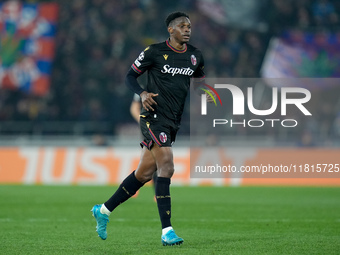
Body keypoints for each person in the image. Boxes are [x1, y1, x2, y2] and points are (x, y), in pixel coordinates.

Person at [91, 11, 205, 246]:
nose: (187, 29)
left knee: (143, 174)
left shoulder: (195, 56)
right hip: (153, 116)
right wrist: (142, 93)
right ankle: (167, 231)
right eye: (182, 26)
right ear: (171, 30)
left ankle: (103, 210)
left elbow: (199, 83)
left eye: (189, 26)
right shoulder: (153, 52)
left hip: (173, 120)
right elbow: (130, 77)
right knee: (167, 165)